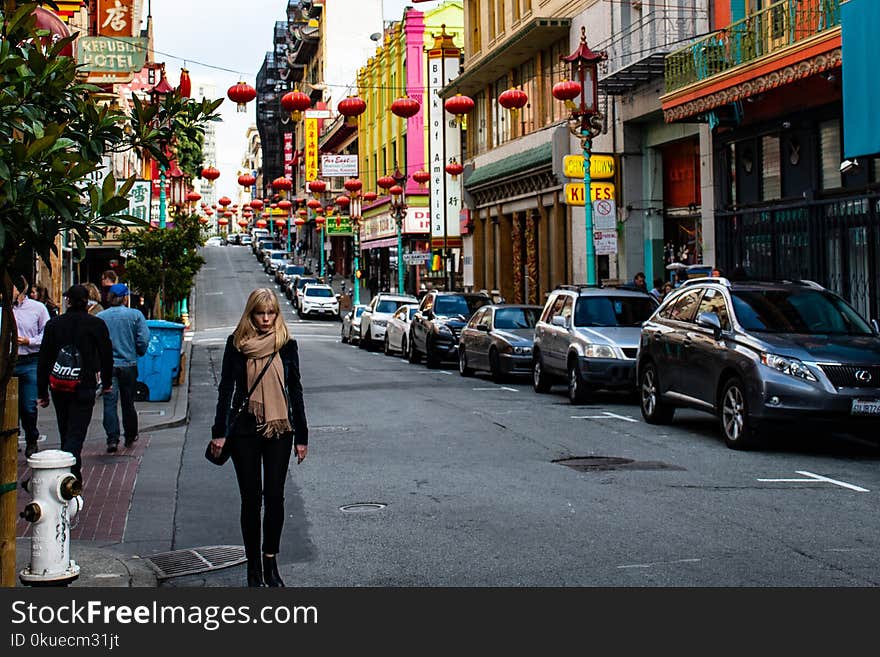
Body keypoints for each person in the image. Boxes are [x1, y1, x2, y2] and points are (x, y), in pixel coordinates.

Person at [210, 289, 309, 587]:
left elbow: (296, 391)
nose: (266, 319)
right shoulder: (237, 344)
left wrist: (302, 435)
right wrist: (219, 432)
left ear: (277, 314)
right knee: (251, 500)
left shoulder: (287, 345)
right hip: (244, 431)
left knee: (275, 498)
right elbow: (226, 389)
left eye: (271, 313)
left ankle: (270, 562)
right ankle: (253, 568)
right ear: (250, 314)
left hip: (279, 431)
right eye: (259, 313)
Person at [37, 285, 114, 483]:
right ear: (87, 301)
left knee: (65, 429)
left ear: (68, 301)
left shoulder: (54, 325)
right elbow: (106, 356)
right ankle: (70, 474)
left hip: (60, 384)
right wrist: (106, 383)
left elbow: (44, 359)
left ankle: (70, 471)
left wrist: (42, 391)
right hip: (84, 384)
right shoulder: (95, 324)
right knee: (76, 431)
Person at [97, 284, 151, 453]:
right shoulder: (135, 315)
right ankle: (130, 434)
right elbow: (143, 339)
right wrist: (138, 351)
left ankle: (112, 438)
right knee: (128, 402)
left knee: (109, 402)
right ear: (125, 298)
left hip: (108, 366)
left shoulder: (101, 317)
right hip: (128, 364)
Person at [12, 277, 50, 458]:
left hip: (29, 360)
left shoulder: (37, 308)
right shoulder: (4, 307)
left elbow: (47, 333)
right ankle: (11, 437)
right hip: (7, 361)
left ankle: (31, 439)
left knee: (27, 405)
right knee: (7, 405)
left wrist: (30, 341)